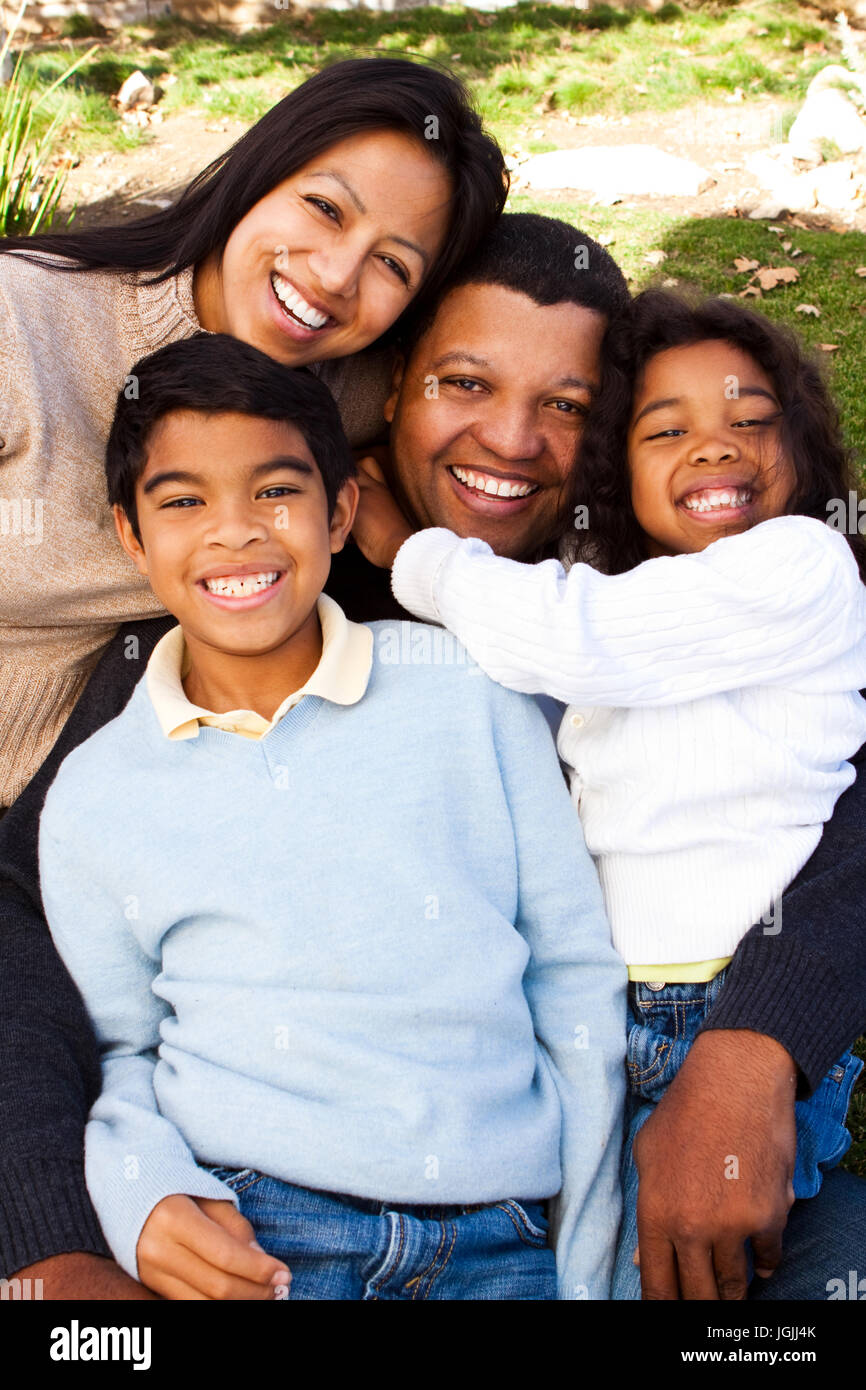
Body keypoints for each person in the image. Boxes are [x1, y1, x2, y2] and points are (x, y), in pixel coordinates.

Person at [2, 214, 865, 1299]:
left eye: (566, 406)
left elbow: (833, 792)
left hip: (650, 1128)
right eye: (464, 383)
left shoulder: (668, 587)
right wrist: (52, 1236)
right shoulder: (263, 603)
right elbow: (31, 915)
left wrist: (755, 1046)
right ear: (394, 383)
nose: (508, 440)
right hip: (296, 1204)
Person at [37, 331, 626, 1300]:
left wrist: (589, 1265)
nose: (235, 532)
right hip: (258, 1228)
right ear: (133, 538)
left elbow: (572, 980)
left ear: (342, 509)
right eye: (184, 501)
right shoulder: (98, 793)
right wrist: (141, 1187)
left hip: (501, 1233)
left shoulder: (467, 695)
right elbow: (118, 1051)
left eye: (275, 490)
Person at [356, 288, 866, 1299]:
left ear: (801, 449)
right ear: (616, 474)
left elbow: (567, 638)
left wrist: (402, 549)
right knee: (581, 1263)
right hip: (602, 1009)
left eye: (749, 421)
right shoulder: (634, 595)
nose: (712, 447)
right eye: (664, 429)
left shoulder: (797, 566)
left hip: (718, 1001)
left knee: (670, 1269)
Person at [0, 54, 506, 808]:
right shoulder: (22, 326)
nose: (335, 276)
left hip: (103, 813)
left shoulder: (363, 394)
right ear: (258, 173)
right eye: (326, 209)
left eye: (392, 265)